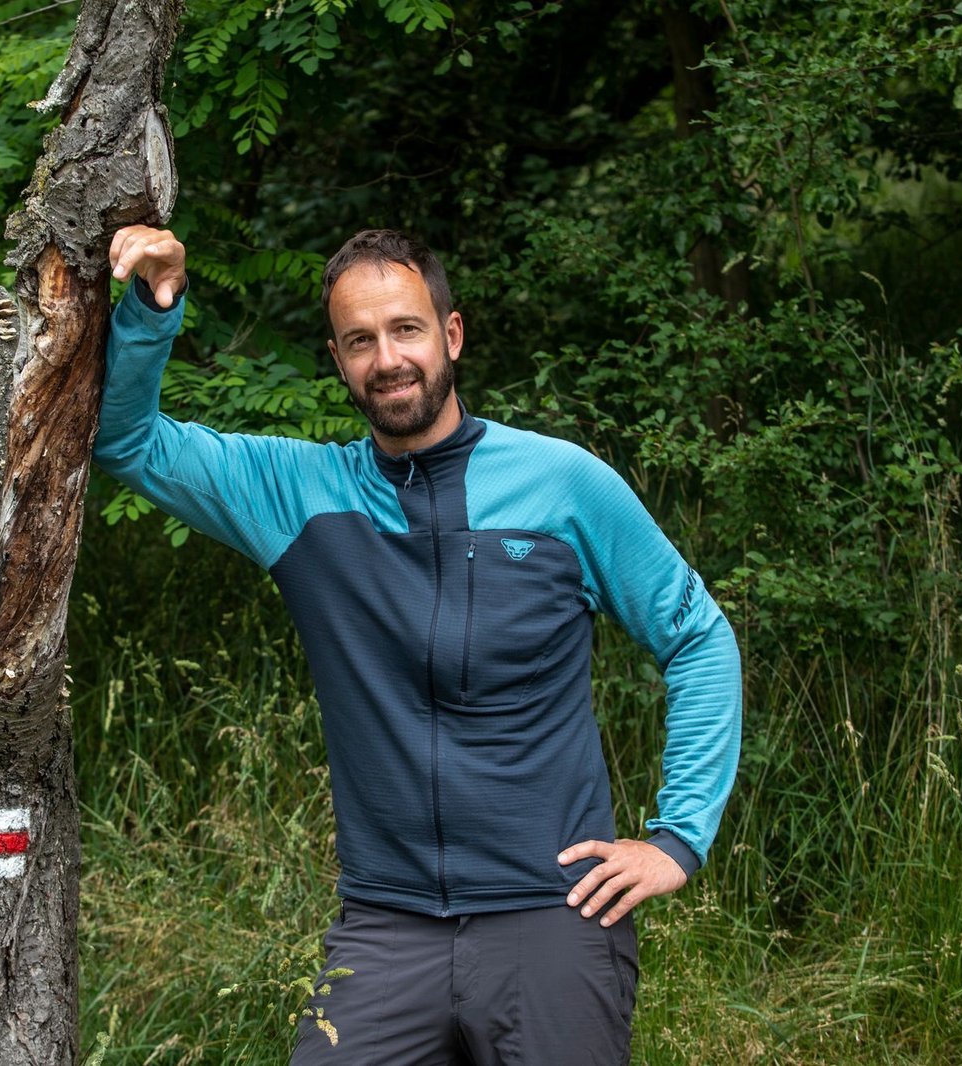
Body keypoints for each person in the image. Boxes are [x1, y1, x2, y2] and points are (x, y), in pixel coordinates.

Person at [97, 224, 742, 1065]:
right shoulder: (298, 494)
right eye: (360, 341)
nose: (387, 359)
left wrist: (677, 841)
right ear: (337, 359)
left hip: (554, 913)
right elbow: (126, 442)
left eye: (405, 329)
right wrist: (154, 304)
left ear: (451, 335)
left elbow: (698, 636)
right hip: (385, 926)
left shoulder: (564, 483)